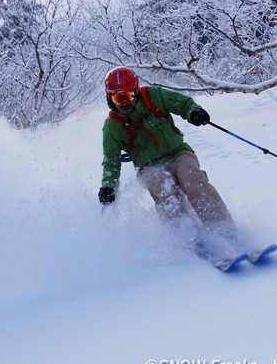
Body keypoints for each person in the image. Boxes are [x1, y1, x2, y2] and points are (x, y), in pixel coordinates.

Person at [98, 66, 240, 255]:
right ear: (110, 98)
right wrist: (108, 185)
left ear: (137, 92)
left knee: (192, 178)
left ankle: (224, 229)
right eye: (118, 98)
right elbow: (111, 160)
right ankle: (188, 238)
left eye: (129, 96)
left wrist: (194, 112)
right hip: (149, 166)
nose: (124, 103)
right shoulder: (112, 126)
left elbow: (183, 103)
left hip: (177, 153)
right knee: (162, 185)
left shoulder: (153, 96)